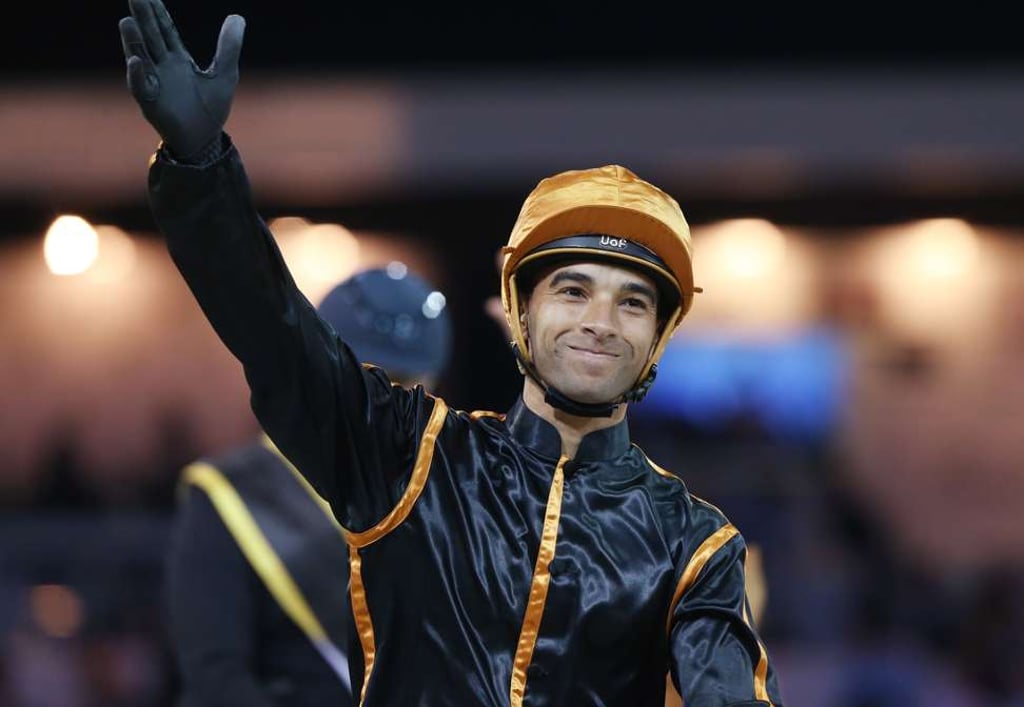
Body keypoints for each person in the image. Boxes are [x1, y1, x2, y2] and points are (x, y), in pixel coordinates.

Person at [119, 2, 784, 704]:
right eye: (573, 289)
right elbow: (272, 329)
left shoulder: (696, 543)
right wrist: (201, 171)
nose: (600, 322)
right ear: (519, 310)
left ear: (658, 336)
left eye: (633, 302)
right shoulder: (412, 456)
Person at [164, 265, 452, 707]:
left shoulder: (450, 491)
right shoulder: (229, 495)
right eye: (371, 379)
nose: (387, 401)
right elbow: (216, 682)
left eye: (407, 384)